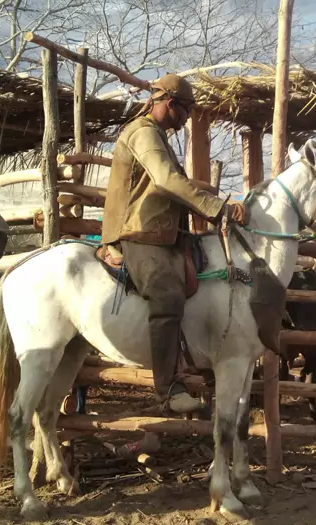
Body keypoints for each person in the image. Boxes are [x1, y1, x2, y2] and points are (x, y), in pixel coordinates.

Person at [101, 73, 249, 415]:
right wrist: (218, 208)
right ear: (170, 104)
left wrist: (202, 191)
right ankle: (168, 389)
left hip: (162, 232)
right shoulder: (143, 133)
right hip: (138, 232)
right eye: (186, 111)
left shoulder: (157, 135)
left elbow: (168, 181)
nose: (186, 119)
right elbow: (166, 180)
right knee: (167, 296)